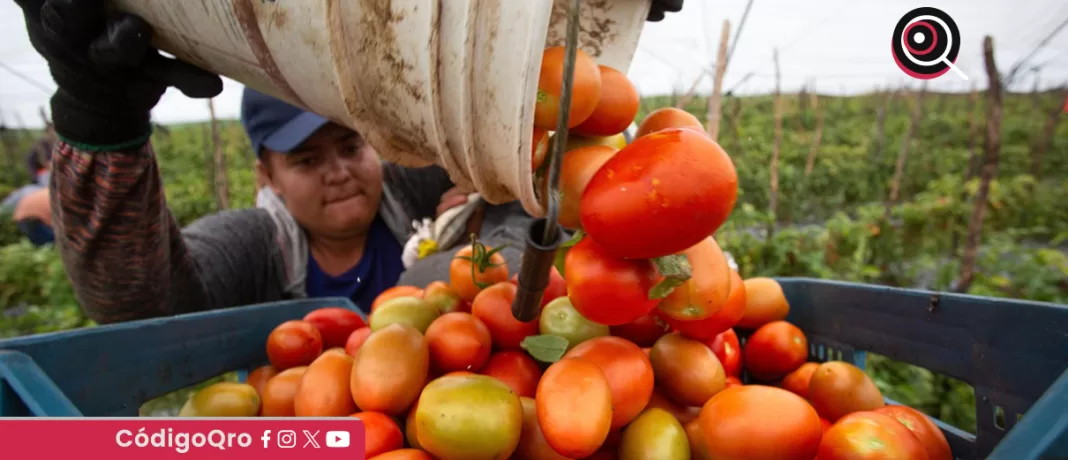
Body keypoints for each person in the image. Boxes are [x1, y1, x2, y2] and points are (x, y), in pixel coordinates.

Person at [16, 0, 683, 324]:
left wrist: (565, 52)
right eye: (306, 159)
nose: (339, 170)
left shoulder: (413, 185)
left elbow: (528, 177)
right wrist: (97, 122)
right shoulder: (254, 247)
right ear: (266, 176)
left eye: (349, 146)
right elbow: (142, 308)